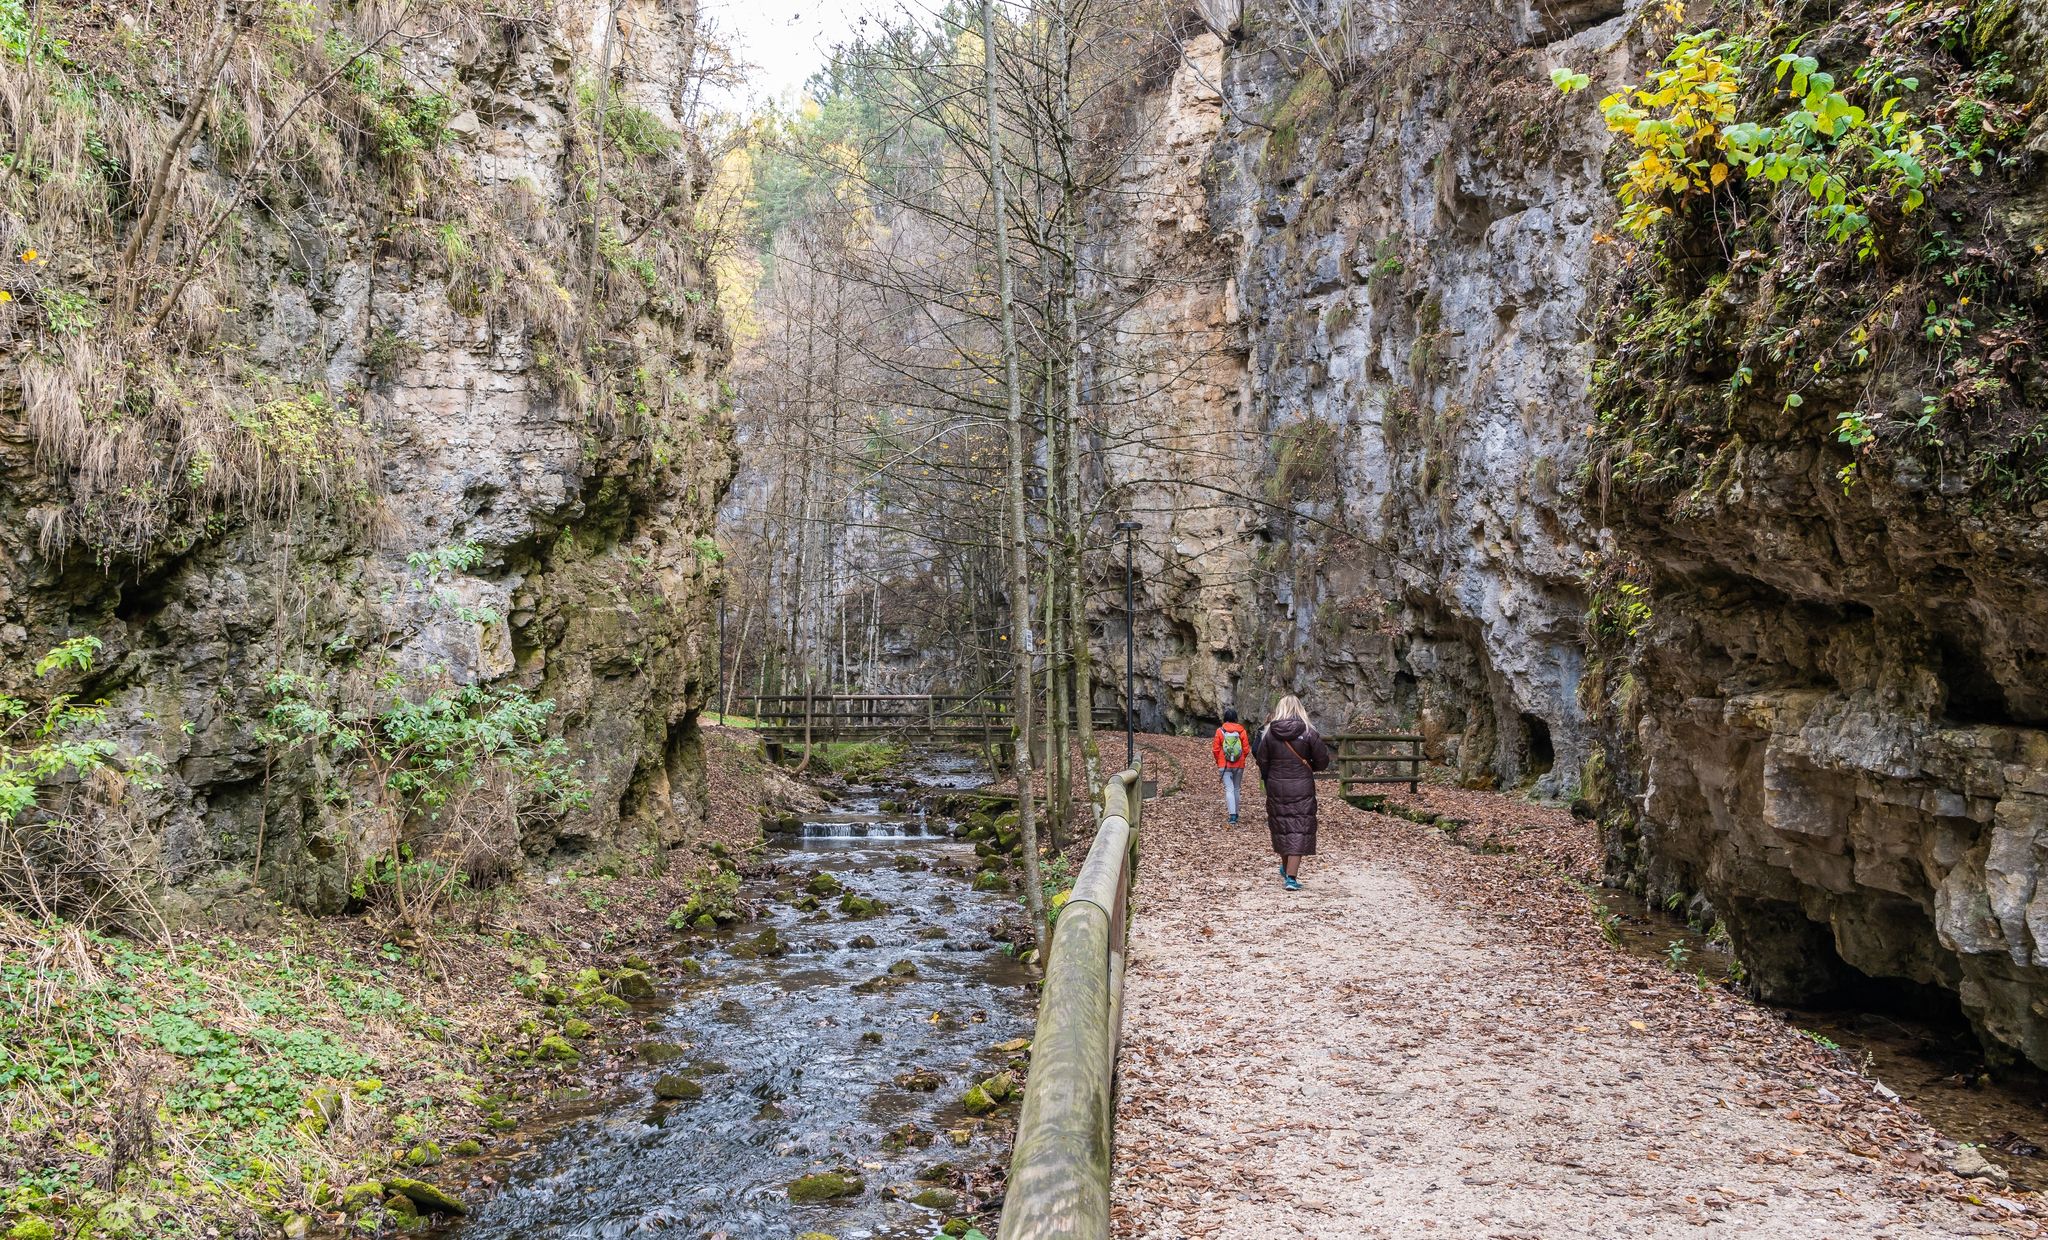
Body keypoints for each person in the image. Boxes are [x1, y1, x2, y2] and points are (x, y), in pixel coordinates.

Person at [1252, 694, 1330, 891]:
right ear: (1300, 709)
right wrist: (1309, 766)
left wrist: (1271, 777)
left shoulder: (1270, 733)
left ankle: (1287, 870)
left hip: (1277, 785)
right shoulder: (1309, 732)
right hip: (1302, 786)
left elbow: (1262, 760)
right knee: (1299, 827)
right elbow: (1323, 760)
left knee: (1283, 826)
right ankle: (1291, 877)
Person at [1212, 708, 1251, 824]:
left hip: (1224, 765)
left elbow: (1215, 749)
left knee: (1228, 789)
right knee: (1236, 788)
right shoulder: (1241, 731)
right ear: (1235, 718)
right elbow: (1246, 749)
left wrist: (1219, 761)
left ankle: (1232, 815)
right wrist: (1241, 758)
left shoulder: (1220, 731)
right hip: (1239, 764)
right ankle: (1236, 814)